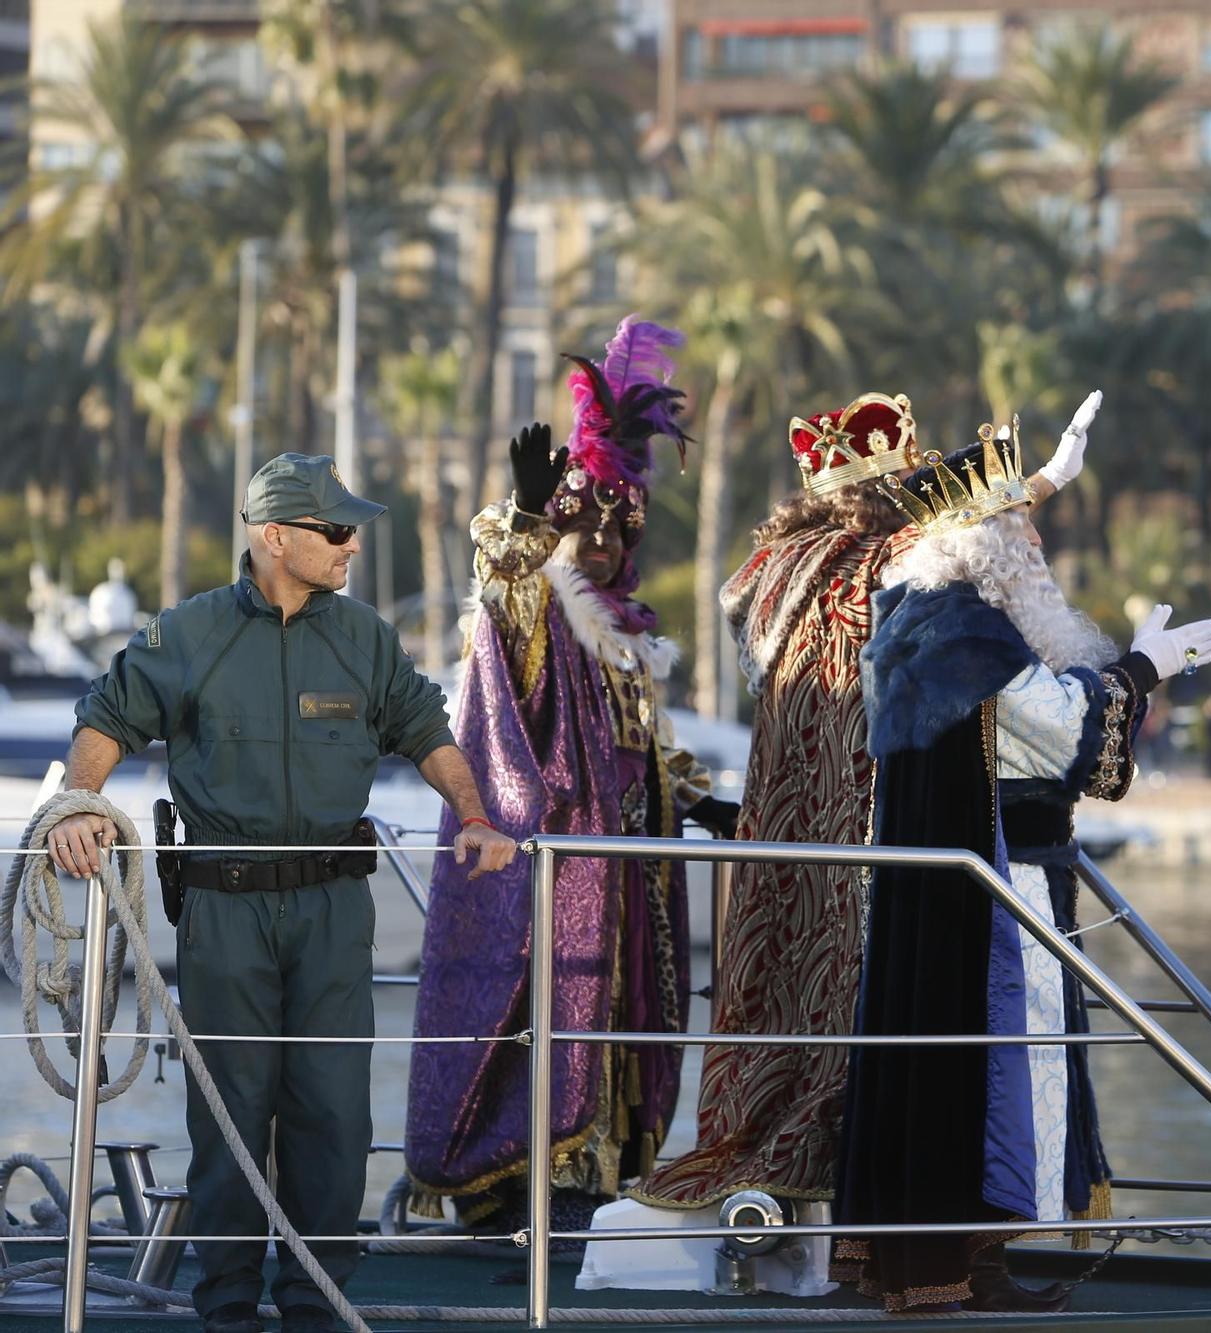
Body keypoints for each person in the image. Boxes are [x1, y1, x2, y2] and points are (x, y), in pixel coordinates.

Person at [50, 453, 517, 1333]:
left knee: (334, 1109)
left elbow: (427, 728)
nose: (351, 546)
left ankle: (315, 1299)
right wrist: (80, 805)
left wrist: (476, 813)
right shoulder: (186, 633)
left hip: (335, 909)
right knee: (230, 1107)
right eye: (336, 531)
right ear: (274, 537)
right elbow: (105, 719)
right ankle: (227, 1304)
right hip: (224, 910)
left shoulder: (367, 637)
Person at [831, 415, 1211, 1312]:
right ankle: (970, 1267)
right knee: (1002, 1063)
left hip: (945, 892)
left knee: (963, 1063)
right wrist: (1145, 667)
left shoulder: (915, 613)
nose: (1039, 539)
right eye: (1026, 525)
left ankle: (951, 1260)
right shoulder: (967, 634)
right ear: (993, 546)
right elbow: (1056, 730)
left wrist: (1126, 662)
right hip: (996, 894)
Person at [404, 317, 736, 1231]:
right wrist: (522, 518)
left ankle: (605, 1176)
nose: (594, 548)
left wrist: (708, 803)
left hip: (631, 867)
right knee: (545, 1009)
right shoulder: (538, 608)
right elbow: (504, 587)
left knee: (627, 1015)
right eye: (580, 530)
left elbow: (653, 748)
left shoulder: (627, 637)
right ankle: (513, 1181)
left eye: (611, 533)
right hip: (556, 866)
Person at [621, 392, 928, 1285]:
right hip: (855, 815)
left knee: (778, 968)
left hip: (781, 820)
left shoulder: (778, 568)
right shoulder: (890, 566)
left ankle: (782, 1177)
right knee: (846, 980)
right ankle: (848, 1200)